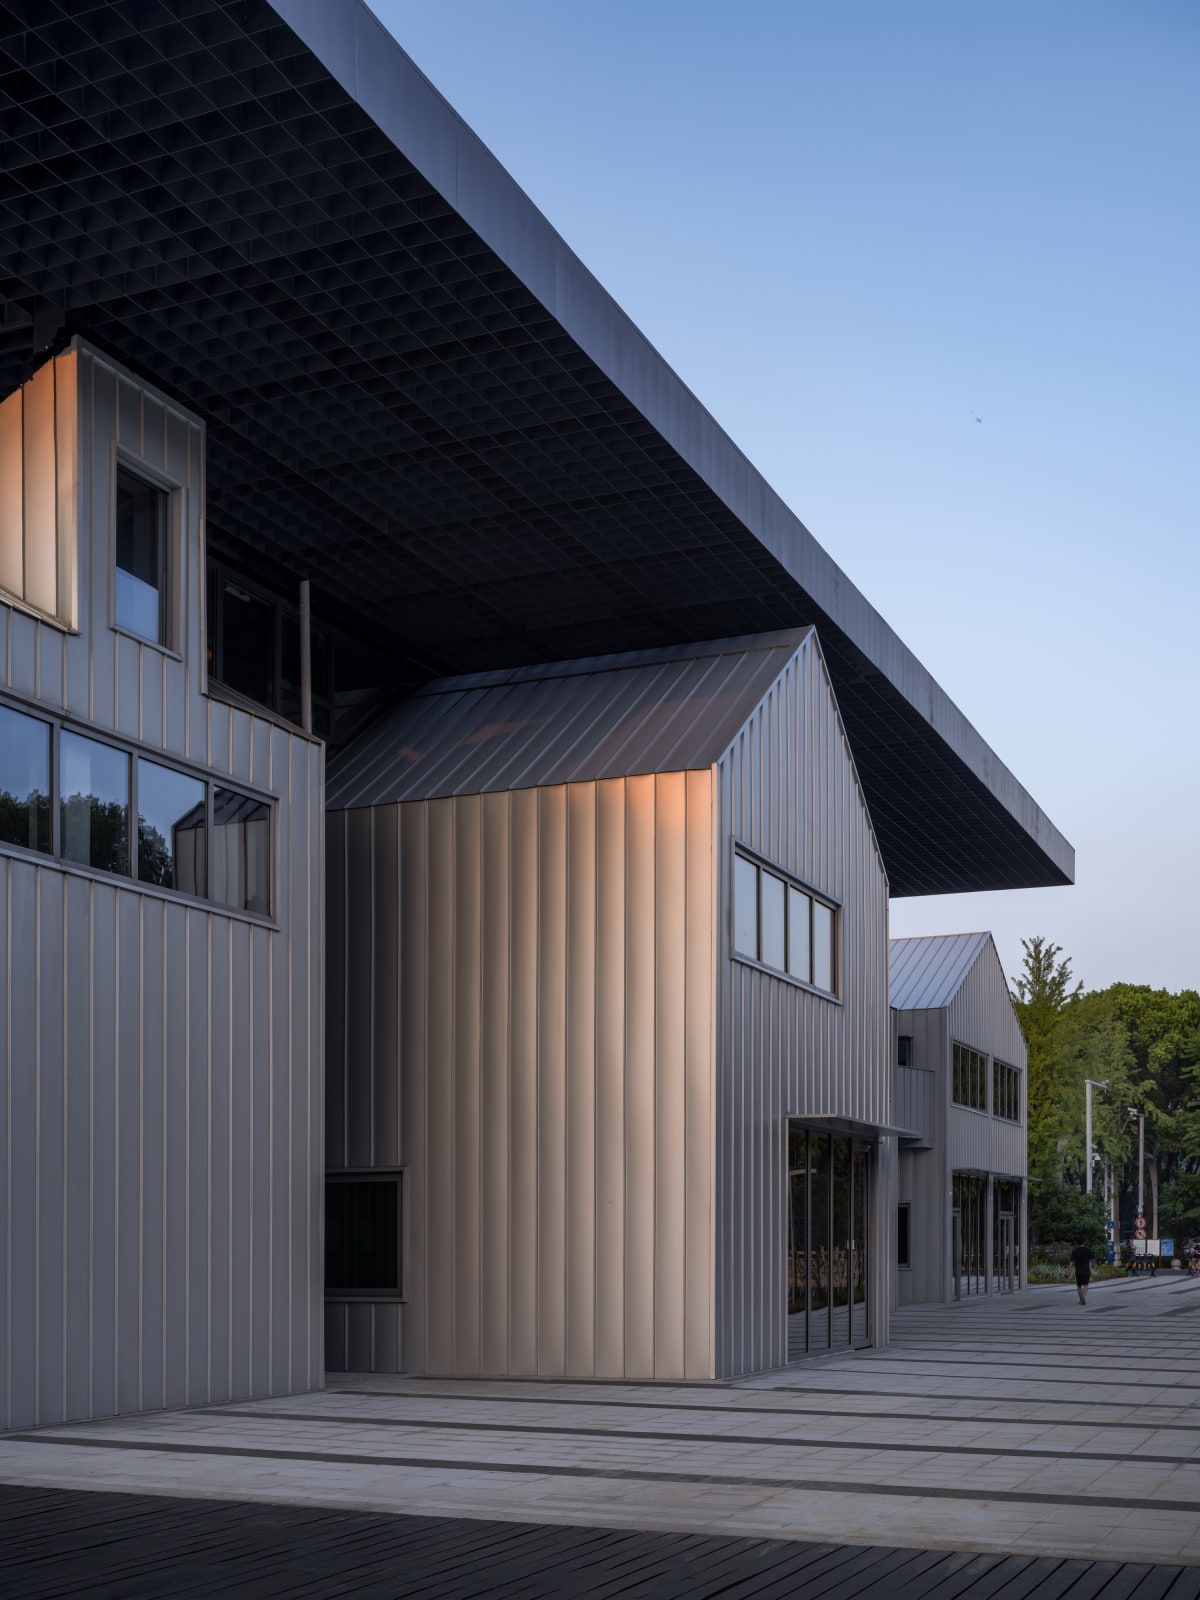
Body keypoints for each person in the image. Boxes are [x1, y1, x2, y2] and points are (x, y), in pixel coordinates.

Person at [1069, 1235, 1095, 1304]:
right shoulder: (1088, 1250)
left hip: (1078, 1271)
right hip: (1086, 1270)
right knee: (1086, 1285)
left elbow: (1071, 1262)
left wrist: (1068, 1270)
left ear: (1077, 1242)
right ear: (1084, 1242)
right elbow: (1093, 1260)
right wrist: (1093, 1265)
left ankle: (1081, 1298)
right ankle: (1083, 1296)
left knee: (1079, 1286)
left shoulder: (1075, 1251)